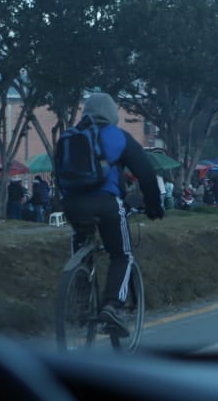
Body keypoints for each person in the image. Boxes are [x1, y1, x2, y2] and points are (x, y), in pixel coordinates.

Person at [60, 92, 164, 339]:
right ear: (112, 114)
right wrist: (153, 206)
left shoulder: (69, 136)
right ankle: (112, 306)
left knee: (81, 240)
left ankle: (80, 290)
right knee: (122, 255)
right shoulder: (119, 137)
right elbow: (147, 175)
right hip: (106, 203)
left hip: (73, 204)